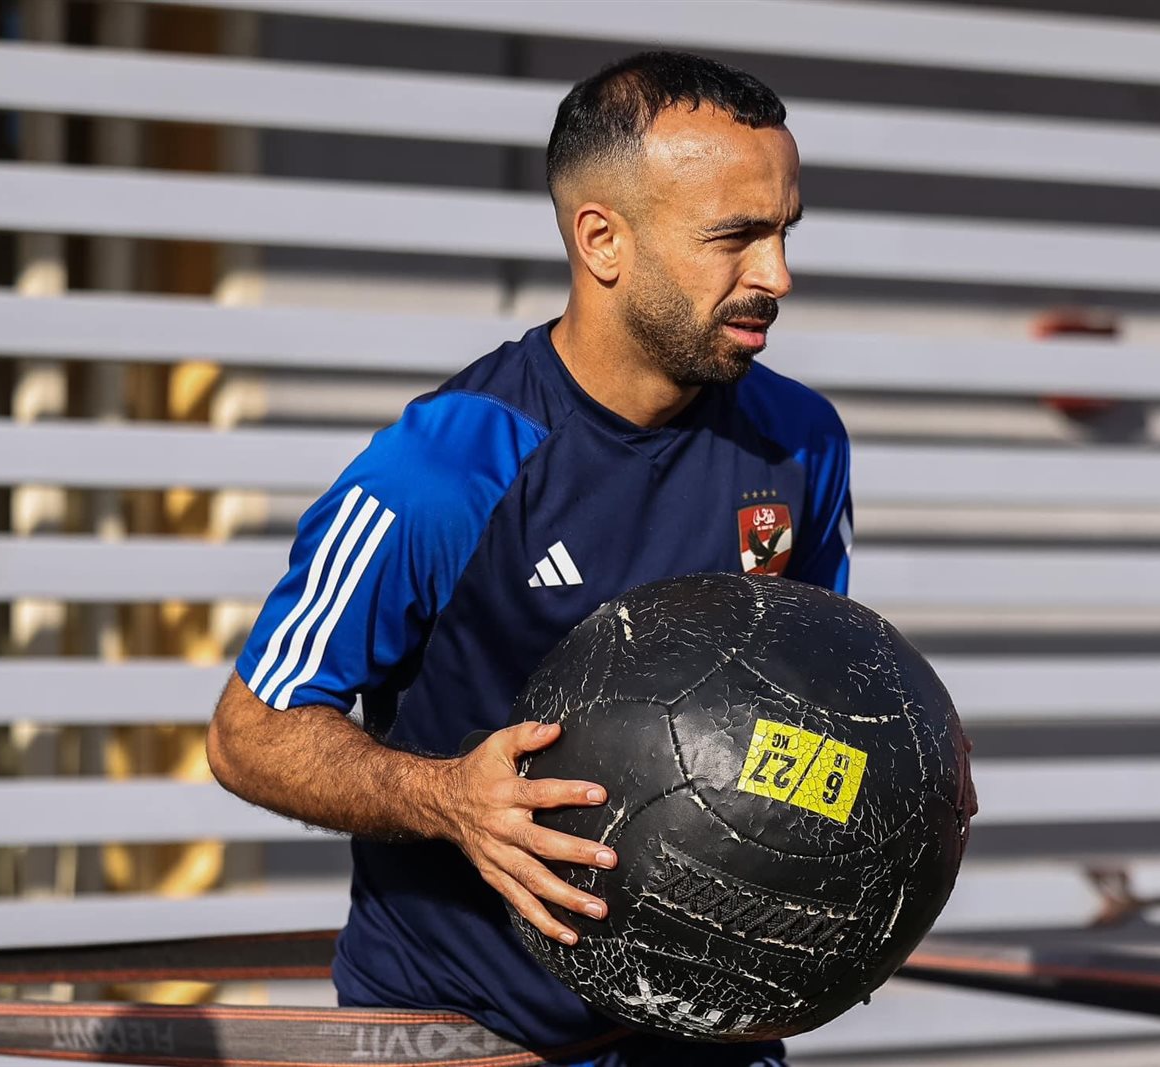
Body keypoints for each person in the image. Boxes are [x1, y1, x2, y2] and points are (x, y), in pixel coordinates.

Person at [208, 51, 847, 1067]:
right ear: (602, 239)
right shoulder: (441, 470)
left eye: (784, 232)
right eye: (734, 237)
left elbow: (811, 696)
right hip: (468, 1034)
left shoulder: (801, 442)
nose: (776, 276)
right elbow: (250, 733)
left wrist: (902, 772)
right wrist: (448, 799)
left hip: (710, 1031)